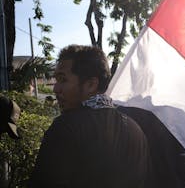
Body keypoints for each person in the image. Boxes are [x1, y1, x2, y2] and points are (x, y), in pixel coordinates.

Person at [29, 45, 151, 188]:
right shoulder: (135, 129)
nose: (56, 89)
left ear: (91, 85)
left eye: (63, 80)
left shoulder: (65, 127)